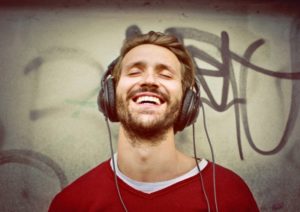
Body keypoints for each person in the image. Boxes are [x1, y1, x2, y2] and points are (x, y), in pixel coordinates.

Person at [48, 31, 259, 211]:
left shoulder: (230, 194)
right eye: (135, 72)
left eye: (165, 75)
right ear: (110, 94)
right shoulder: (72, 202)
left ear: (188, 101)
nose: (149, 81)